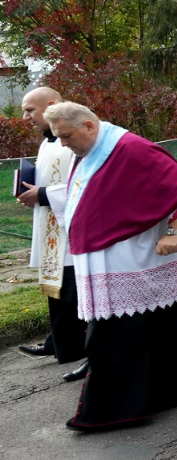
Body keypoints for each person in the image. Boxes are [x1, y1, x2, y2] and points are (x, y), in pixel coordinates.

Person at [45, 101, 177, 430]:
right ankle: (161, 393)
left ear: (89, 125)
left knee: (119, 337)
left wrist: (175, 231)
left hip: (134, 259)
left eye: (66, 135)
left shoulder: (131, 148)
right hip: (111, 260)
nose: (62, 143)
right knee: (145, 332)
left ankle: (115, 409)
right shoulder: (90, 149)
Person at [14, 87, 86, 377]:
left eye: (30, 109)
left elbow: (86, 183)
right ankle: (59, 341)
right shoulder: (48, 142)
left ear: (53, 105)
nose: (25, 116)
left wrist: (42, 194)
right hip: (52, 225)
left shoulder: (75, 139)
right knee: (57, 289)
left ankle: (81, 348)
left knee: (72, 291)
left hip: (71, 227)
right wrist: (30, 192)